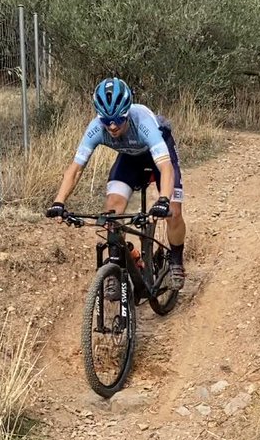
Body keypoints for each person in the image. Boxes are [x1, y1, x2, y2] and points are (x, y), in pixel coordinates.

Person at [47, 77, 186, 290]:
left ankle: (176, 260)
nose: (112, 126)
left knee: (173, 212)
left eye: (118, 120)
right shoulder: (95, 128)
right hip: (129, 159)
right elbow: (75, 169)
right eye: (106, 120)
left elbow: (166, 167)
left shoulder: (144, 124)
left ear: (127, 113)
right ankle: (119, 261)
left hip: (159, 155)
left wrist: (164, 200)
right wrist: (59, 202)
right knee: (112, 211)